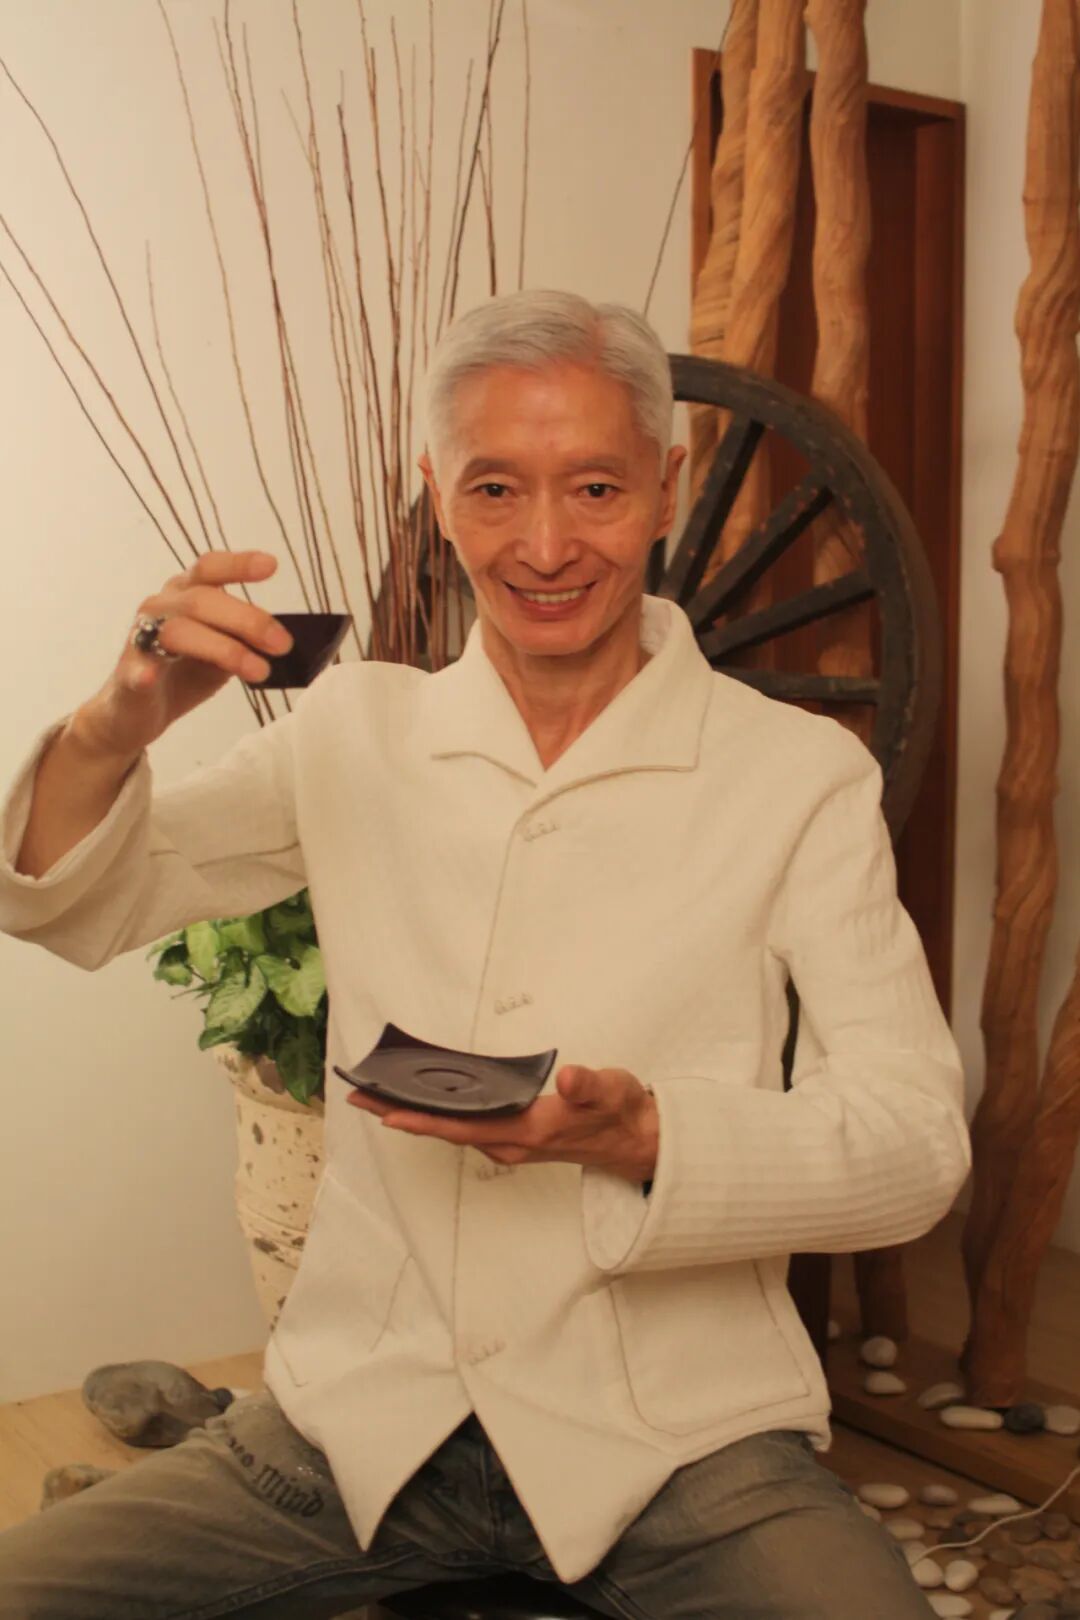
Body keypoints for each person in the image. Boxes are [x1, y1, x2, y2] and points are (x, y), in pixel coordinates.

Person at [0, 289, 966, 1618]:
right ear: (437, 492)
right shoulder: (355, 731)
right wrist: (116, 724)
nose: (546, 545)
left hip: (681, 1439)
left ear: (670, 485)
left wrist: (651, 1137)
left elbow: (917, 1145)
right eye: (496, 488)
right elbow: (72, 902)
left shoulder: (797, 779)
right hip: (359, 1421)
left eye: (597, 489)